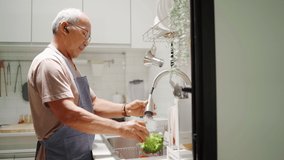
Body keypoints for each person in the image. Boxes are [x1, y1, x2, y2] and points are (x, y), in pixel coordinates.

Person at [28, 8, 150, 160]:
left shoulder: (68, 64)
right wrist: (120, 128)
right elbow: (69, 114)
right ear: (64, 27)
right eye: (85, 34)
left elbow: (92, 103)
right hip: (59, 155)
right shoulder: (49, 63)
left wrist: (126, 109)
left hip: (80, 154)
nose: (87, 42)